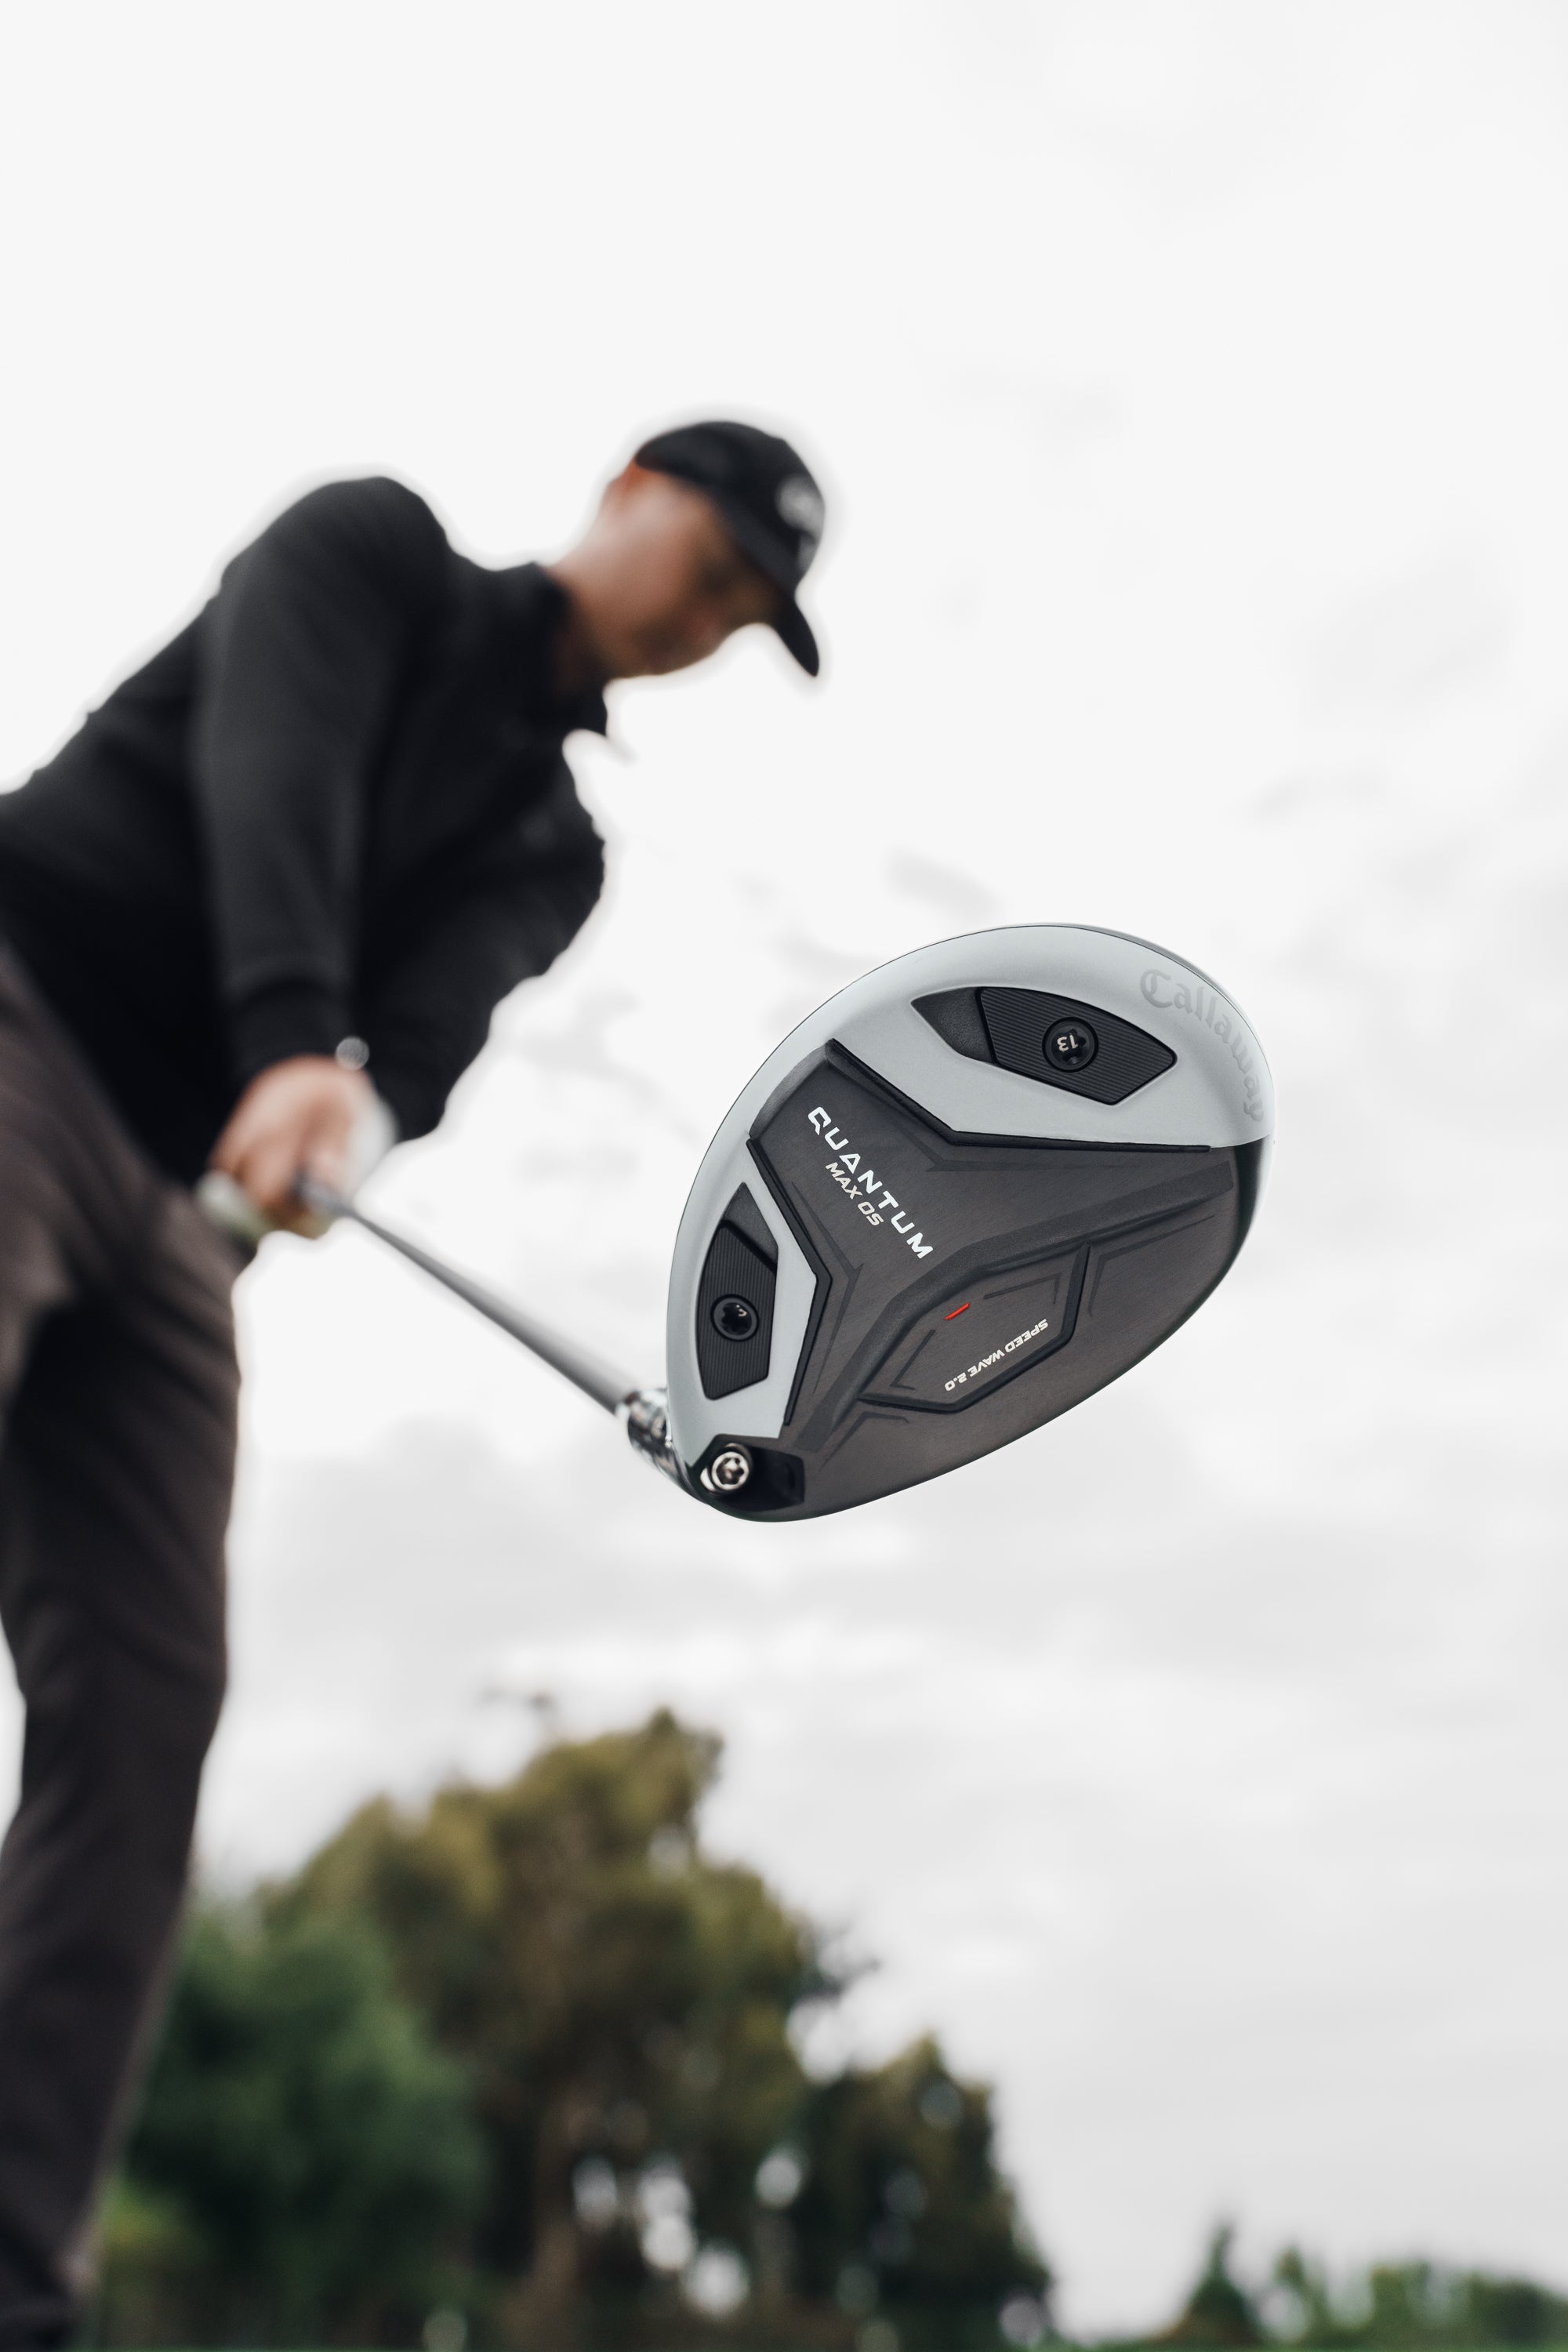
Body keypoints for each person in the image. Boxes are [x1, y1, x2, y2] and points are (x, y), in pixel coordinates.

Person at [0, 419, 826, 2347]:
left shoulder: (558, 850)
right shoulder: (368, 549)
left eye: (741, 611)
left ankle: (12, 2274)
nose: (706, 618)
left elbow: (427, 1042)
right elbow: (267, 767)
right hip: (23, 1013)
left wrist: (346, 1121)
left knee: (151, 1697)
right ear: (630, 490)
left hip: (172, 1210)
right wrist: (297, 1033)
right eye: (711, 565)